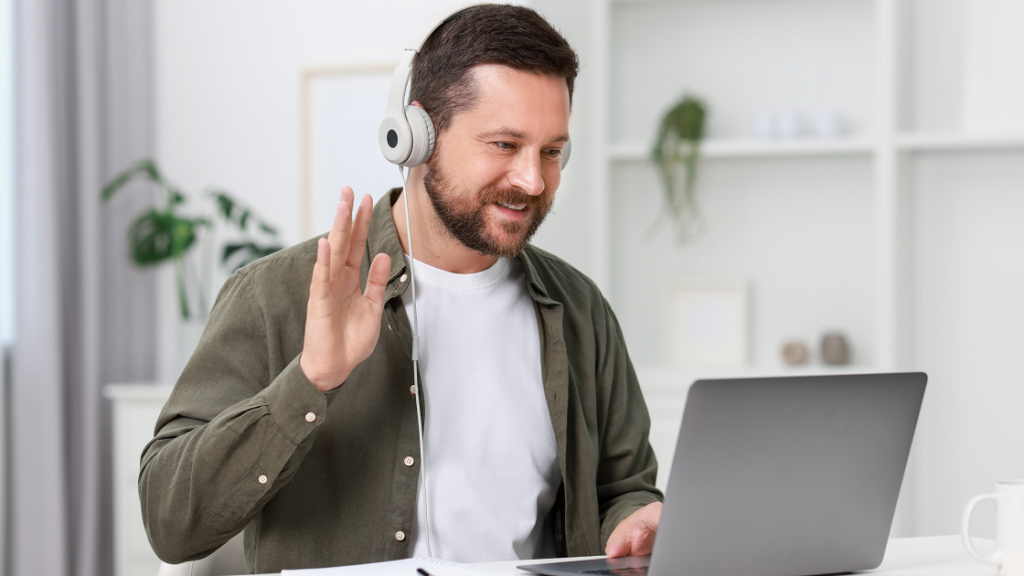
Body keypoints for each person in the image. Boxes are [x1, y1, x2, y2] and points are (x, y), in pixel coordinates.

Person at [139, 5, 662, 573]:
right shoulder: (276, 295)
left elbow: (623, 487)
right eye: (505, 146)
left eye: (552, 152)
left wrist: (636, 518)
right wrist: (310, 381)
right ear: (416, 136)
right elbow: (170, 523)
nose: (533, 181)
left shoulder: (580, 308)